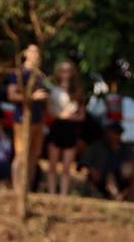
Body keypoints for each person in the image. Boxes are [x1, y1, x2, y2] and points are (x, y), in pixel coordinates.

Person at [6, 44, 50, 190]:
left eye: (38, 53)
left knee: (33, 156)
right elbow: (11, 94)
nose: (36, 56)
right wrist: (32, 97)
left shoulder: (40, 75)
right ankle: (16, 187)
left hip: (38, 119)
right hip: (22, 119)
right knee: (21, 155)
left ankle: (26, 188)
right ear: (26, 54)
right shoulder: (19, 73)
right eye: (33, 52)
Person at [45, 60, 85, 196]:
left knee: (67, 167)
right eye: (63, 70)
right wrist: (61, 115)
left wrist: (70, 117)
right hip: (57, 126)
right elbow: (49, 110)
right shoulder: (54, 90)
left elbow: (81, 115)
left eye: (68, 70)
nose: (65, 74)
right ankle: (51, 192)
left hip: (71, 129)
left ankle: (63, 194)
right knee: (52, 165)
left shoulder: (77, 92)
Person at [82, 121, 134, 200]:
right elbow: (84, 162)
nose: (115, 136)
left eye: (118, 133)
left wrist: (130, 170)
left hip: (121, 179)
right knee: (109, 176)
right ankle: (115, 195)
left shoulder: (126, 150)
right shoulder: (97, 147)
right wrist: (92, 170)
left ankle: (119, 195)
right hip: (101, 178)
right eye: (113, 133)